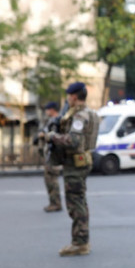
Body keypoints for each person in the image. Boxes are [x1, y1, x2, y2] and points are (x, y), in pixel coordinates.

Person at [45, 82, 100, 257]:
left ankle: (80, 243)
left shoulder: (80, 116)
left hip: (75, 164)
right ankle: (81, 240)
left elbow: (73, 141)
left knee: (75, 203)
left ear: (74, 97)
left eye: (69, 96)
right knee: (79, 201)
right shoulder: (88, 113)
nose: (68, 99)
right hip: (81, 161)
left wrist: (52, 137)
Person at [37, 101, 63, 212]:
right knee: (49, 179)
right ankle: (53, 202)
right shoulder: (51, 121)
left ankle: (56, 203)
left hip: (53, 154)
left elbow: (54, 136)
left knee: (52, 179)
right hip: (49, 154)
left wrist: (43, 135)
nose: (46, 111)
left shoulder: (57, 121)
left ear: (52, 109)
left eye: (47, 109)